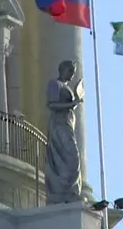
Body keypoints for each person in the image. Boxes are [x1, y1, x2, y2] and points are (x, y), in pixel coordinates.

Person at [44, 59, 82, 204]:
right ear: (62, 69)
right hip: (59, 126)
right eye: (70, 71)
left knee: (71, 157)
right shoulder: (55, 84)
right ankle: (64, 190)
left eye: (73, 72)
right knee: (72, 157)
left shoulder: (67, 87)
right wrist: (72, 104)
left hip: (67, 125)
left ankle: (70, 191)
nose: (72, 74)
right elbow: (52, 104)